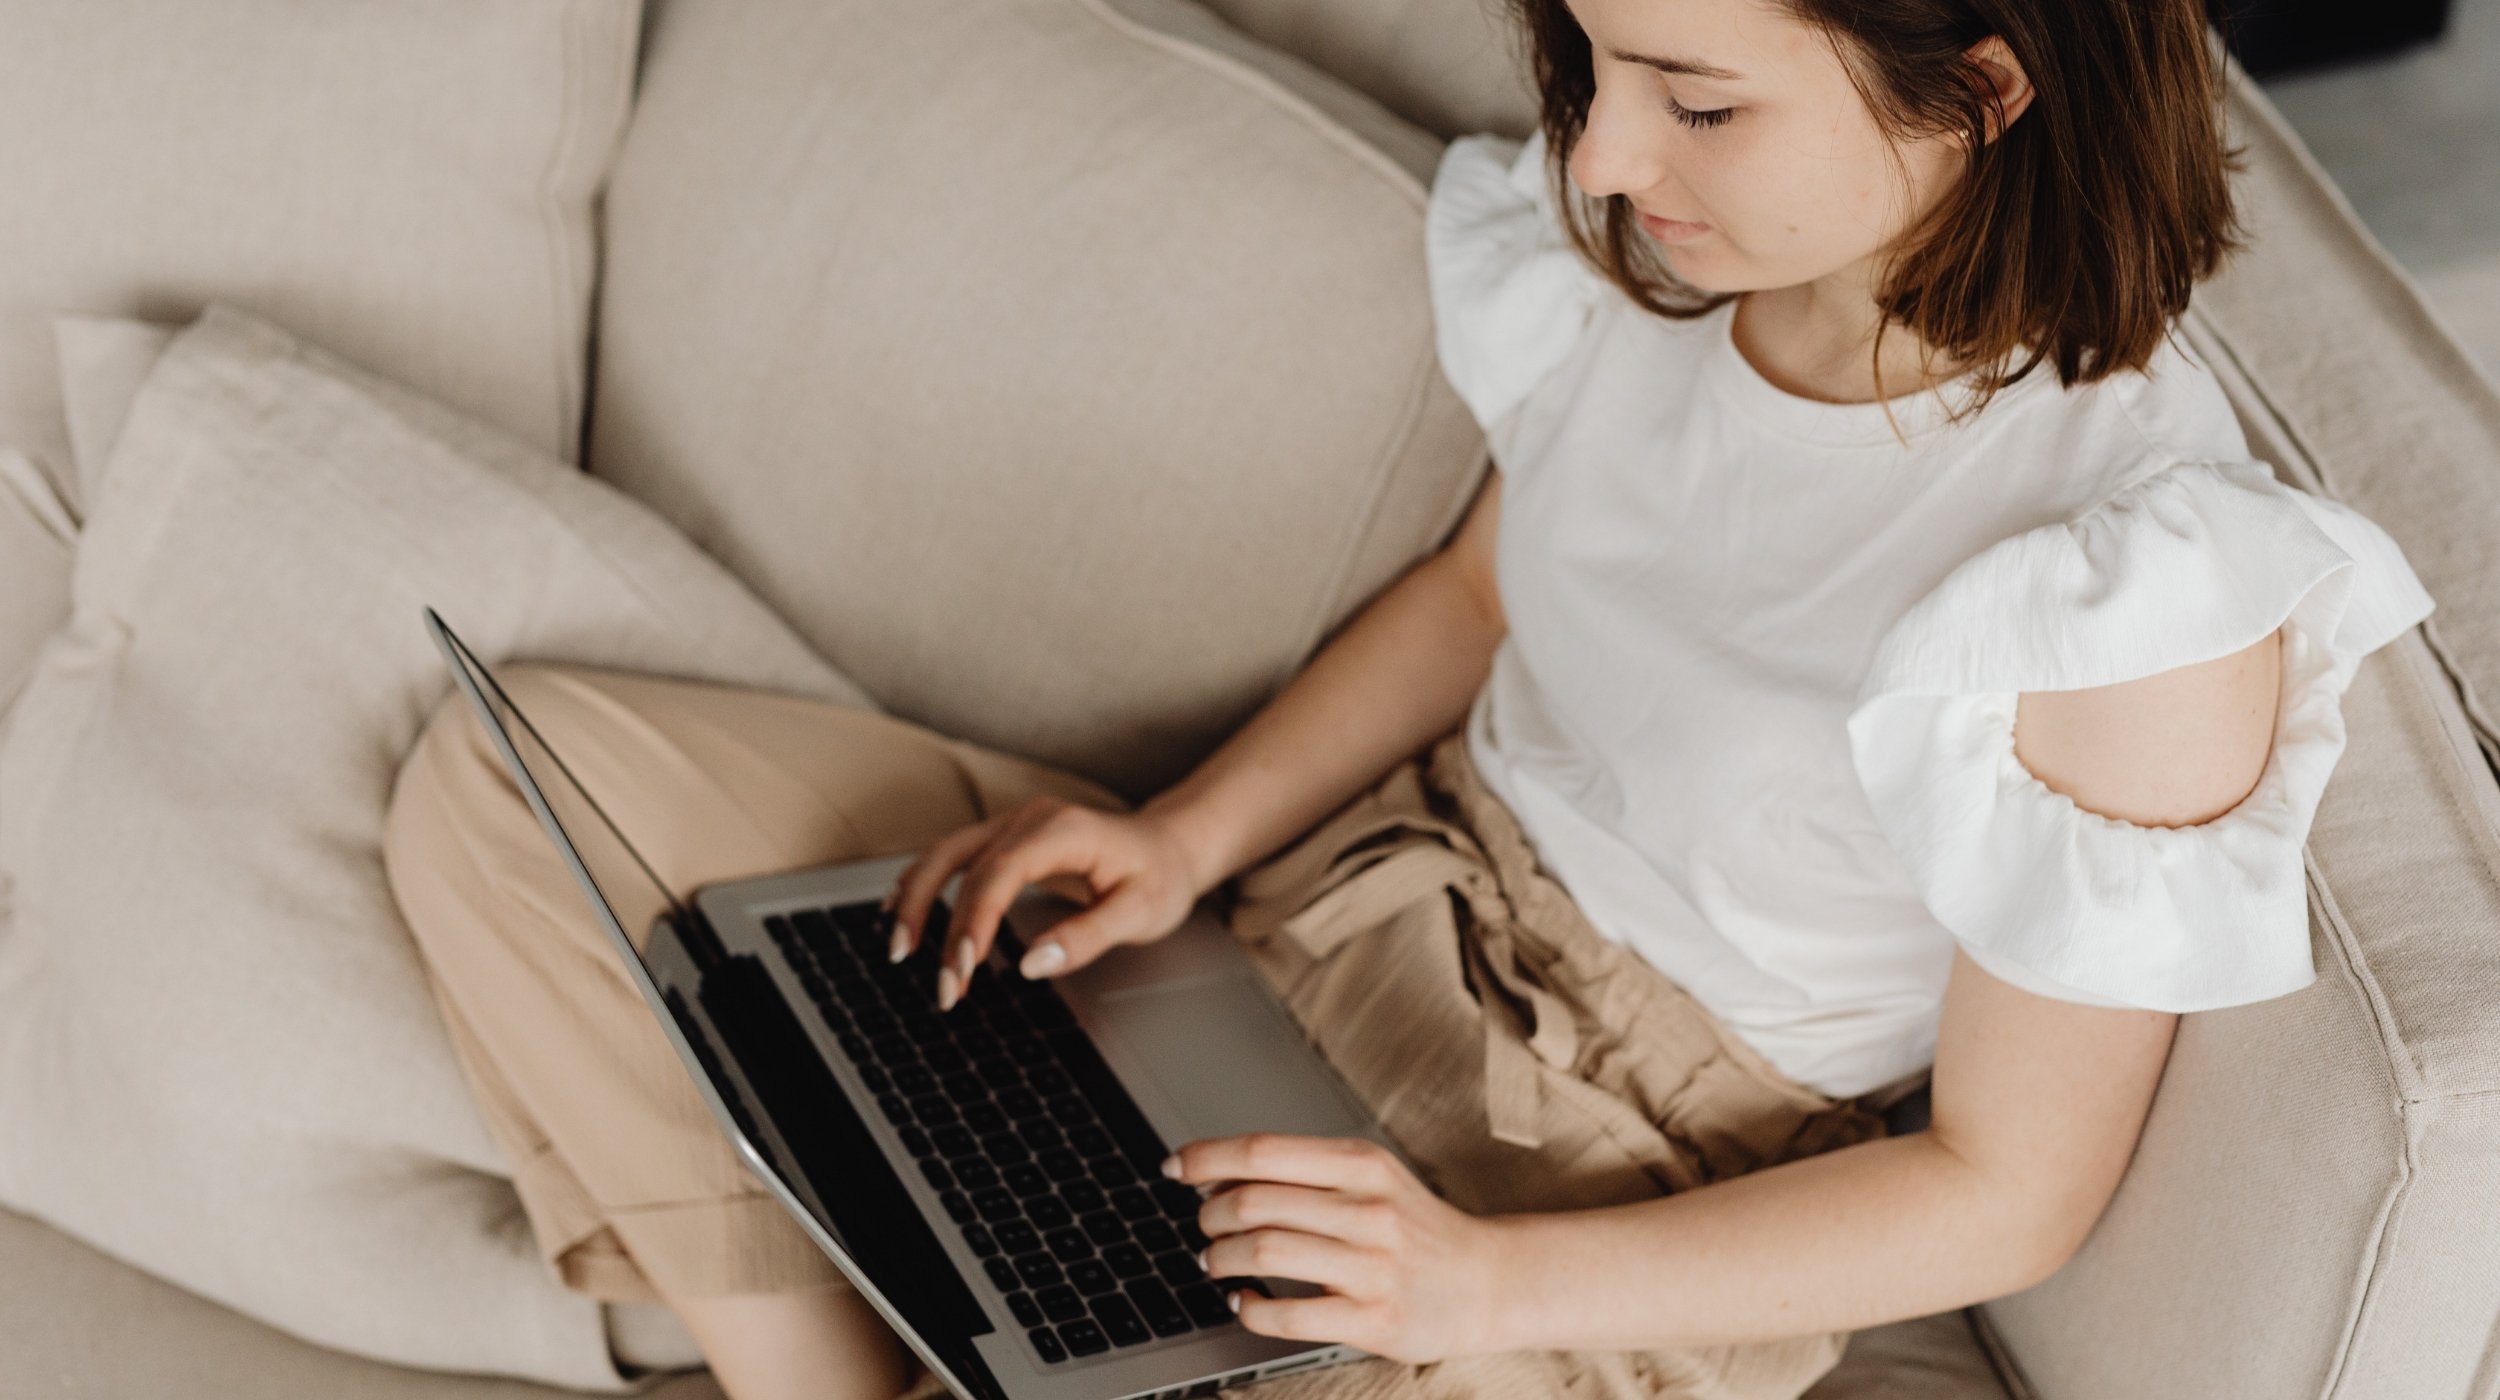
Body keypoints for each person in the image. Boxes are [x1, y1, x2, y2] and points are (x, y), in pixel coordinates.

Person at [381, 0, 2437, 1395]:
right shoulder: (1665, 276)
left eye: (1693, 96)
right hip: (1296, 935)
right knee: (511, 783)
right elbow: (1479, 591)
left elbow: (2010, 1188)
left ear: (1985, 91)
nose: (1609, 154)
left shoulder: (2128, 588)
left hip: (1596, 1188)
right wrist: (1179, 831)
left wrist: (1473, 1277)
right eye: (1584, 59)